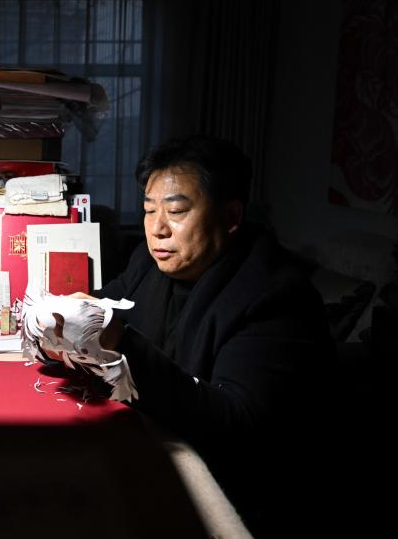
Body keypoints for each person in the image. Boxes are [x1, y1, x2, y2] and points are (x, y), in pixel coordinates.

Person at [85, 135, 336, 535]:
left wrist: (121, 343)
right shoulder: (150, 262)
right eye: (149, 211)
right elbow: (108, 303)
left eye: (176, 211)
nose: (157, 229)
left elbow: (235, 422)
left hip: (241, 492)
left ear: (231, 216)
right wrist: (72, 311)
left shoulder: (276, 297)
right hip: (153, 445)